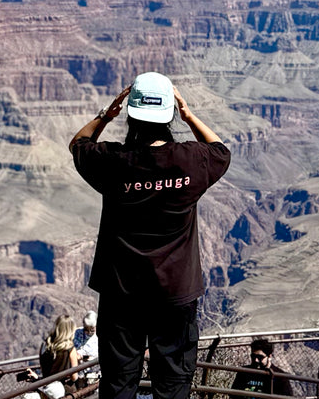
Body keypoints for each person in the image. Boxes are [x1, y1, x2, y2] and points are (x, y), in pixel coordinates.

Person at [70, 72, 231, 399]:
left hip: (121, 295)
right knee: (173, 385)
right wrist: (187, 114)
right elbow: (220, 150)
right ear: (169, 113)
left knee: (118, 385)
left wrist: (107, 113)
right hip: (175, 294)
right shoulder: (191, 161)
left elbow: (79, 144)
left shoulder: (115, 161)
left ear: (131, 113)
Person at [39, 315, 81, 397]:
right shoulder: (70, 349)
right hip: (64, 391)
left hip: (46, 388)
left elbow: (43, 366)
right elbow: (74, 376)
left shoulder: (45, 345)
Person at [75, 310, 101, 384]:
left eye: (92, 330)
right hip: (79, 372)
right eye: (86, 329)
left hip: (94, 373)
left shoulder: (100, 335)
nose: (89, 333)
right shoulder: (77, 333)